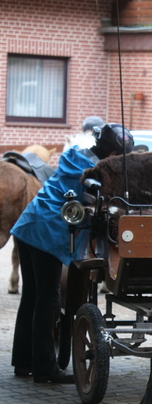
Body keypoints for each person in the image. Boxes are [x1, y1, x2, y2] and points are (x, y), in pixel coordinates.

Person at [11, 124, 134, 384]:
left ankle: (23, 363)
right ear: (112, 153)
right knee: (49, 297)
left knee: (32, 296)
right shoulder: (93, 172)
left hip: (28, 224)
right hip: (47, 232)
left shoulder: (75, 156)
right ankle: (45, 369)